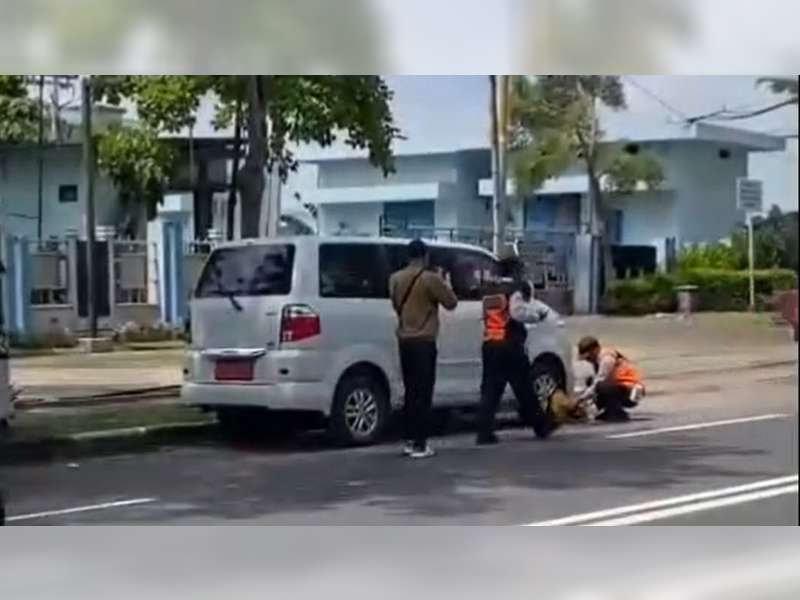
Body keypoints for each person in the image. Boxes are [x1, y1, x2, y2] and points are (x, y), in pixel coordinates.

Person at [389, 240, 458, 459]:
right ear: (425, 256)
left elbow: (395, 304)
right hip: (424, 340)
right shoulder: (430, 278)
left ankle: (409, 441)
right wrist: (446, 282)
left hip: (404, 339)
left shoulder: (395, 279)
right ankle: (421, 443)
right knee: (424, 392)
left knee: (410, 392)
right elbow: (451, 303)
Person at [476, 256, 554, 445]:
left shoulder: (489, 290)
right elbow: (517, 312)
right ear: (514, 271)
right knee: (524, 388)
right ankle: (541, 426)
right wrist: (537, 316)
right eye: (521, 270)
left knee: (490, 391)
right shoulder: (514, 289)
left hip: (490, 343)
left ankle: (484, 432)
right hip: (509, 345)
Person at [577, 336, 645, 422]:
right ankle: (609, 409)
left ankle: (616, 412)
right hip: (622, 388)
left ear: (595, 349)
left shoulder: (606, 359)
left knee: (600, 385)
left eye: (588, 357)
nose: (588, 360)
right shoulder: (598, 360)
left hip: (633, 392)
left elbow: (599, 382)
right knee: (591, 381)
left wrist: (580, 400)